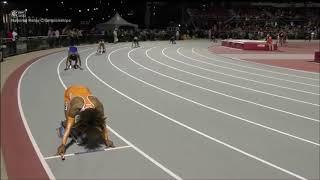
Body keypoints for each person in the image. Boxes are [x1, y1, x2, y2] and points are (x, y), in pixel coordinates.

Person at [57, 85, 114, 158]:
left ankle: (81, 128)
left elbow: (103, 124)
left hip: (85, 89)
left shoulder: (98, 105)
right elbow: (68, 128)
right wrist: (63, 145)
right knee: (70, 121)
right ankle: (62, 125)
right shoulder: (75, 107)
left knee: (90, 125)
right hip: (69, 92)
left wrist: (106, 140)